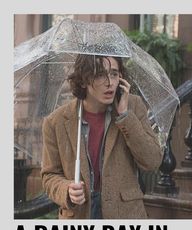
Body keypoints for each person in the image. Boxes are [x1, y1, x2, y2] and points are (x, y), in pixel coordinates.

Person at [41, 54, 162, 219]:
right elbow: (49, 176)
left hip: (124, 214)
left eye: (114, 74)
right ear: (83, 80)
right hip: (79, 215)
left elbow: (152, 161)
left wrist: (125, 117)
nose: (110, 82)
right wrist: (66, 189)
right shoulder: (55, 122)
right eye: (100, 75)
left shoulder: (133, 106)